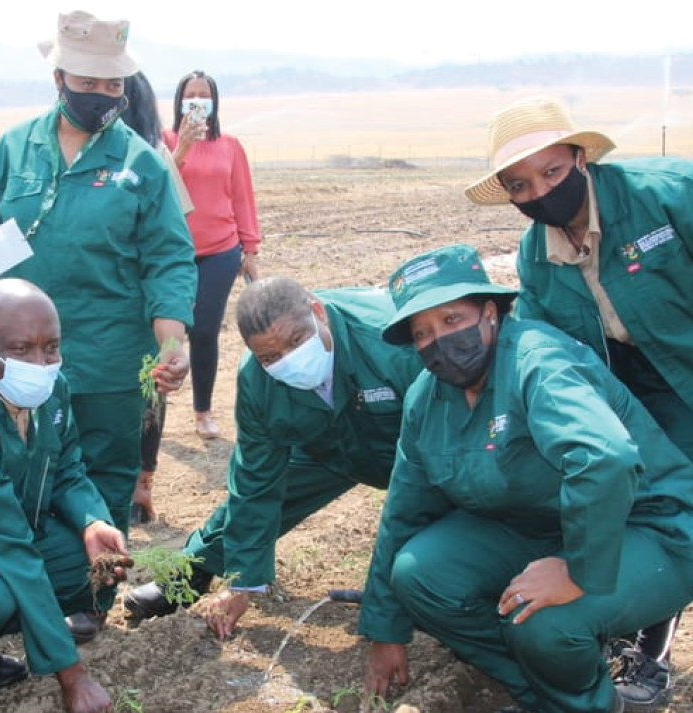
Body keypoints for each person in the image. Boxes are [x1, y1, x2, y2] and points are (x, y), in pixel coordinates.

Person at [358, 244, 693, 713]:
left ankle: (592, 703)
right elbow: (403, 511)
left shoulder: (538, 362)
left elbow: (606, 459)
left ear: (490, 312)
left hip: (646, 527)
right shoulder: (426, 398)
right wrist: (384, 629)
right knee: (420, 574)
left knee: (542, 621)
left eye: (452, 320)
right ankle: (545, 689)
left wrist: (576, 568)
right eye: (423, 333)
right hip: (541, 524)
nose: (440, 341)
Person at [464, 94, 693, 708]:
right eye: (520, 184)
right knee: (659, 499)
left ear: (580, 157)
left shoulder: (670, 196)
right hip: (639, 381)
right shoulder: (536, 258)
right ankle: (650, 644)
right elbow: (548, 345)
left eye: (551, 173)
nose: (538, 191)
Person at [0, 11, 197, 544]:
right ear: (58, 78)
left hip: (109, 352)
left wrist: (173, 342)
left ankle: (94, 586)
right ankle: (25, 574)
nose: (103, 95)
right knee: (19, 462)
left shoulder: (142, 163)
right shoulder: (13, 151)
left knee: (105, 467)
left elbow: (168, 259)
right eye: (88, 83)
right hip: (17, 352)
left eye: (114, 84)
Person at [124, 276, 424, 637]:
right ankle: (196, 570)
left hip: (419, 442)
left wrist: (385, 593)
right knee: (266, 490)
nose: (287, 360)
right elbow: (255, 484)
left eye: (296, 342)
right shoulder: (258, 378)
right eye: (269, 356)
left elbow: (448, 452)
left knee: (432, 533)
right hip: (330, 440)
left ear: (317, 313)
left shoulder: (394, 342)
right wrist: (243, 582)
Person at [0, 278, 131, 713]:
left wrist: (91, 520)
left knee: (88, 562)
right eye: (21, 349)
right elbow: (12, 549)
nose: (40, 362)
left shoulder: (47, 387)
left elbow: (67, 470)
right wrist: (73, 676)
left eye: (51, 347)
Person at [163, 69, 262, 439]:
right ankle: (152, 406)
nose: (198, 100)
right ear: (179, 100)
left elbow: (242, 198)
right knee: (167, 332)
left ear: (214, 102)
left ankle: (202, 412)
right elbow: (160, 186)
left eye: (205, 94)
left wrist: (249, 248)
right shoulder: (162, 139)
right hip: (172, 252)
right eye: (191, 94)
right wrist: (182, 149)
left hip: (220, 250)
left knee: (204, 331)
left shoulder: (230, 146)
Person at [121, 69, 195, 524]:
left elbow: (173, 245)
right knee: (150, 396)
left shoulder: (150, 161)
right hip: (146, 311)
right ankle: (141, 486)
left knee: (149, 392)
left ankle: (139, 486)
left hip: (138, 312)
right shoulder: (157, 156)